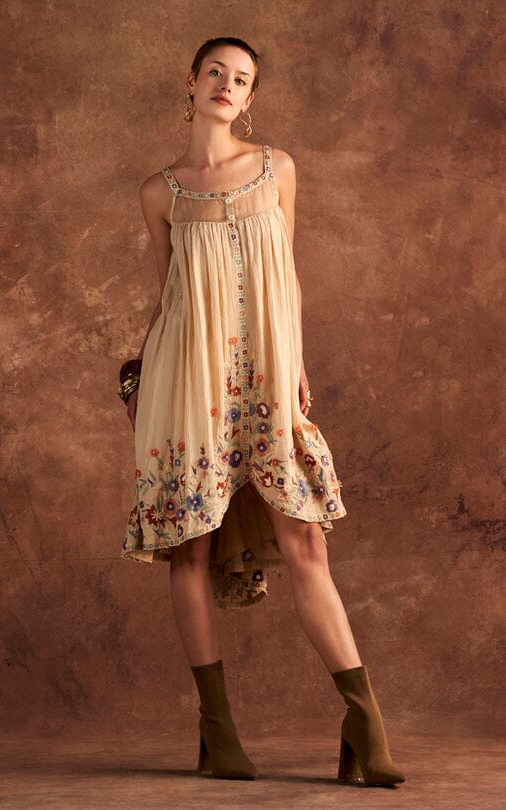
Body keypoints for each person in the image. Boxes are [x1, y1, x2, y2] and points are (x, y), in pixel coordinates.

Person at [117, 37, 406, 787]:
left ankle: (363, 721)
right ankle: (217, 732)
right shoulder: (160, 194)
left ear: (251, 98)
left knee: (304, 539)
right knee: (191, 549)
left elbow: (290, 277)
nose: (226, 84)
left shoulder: (278, 169)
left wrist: (296, 362)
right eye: (215, 72)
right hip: (188, 383)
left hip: (267, 379)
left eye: (241, 79)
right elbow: (170, 298)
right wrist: (143, 382)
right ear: (191, 82)